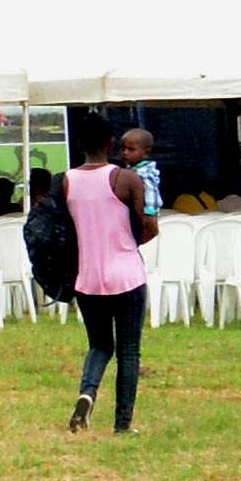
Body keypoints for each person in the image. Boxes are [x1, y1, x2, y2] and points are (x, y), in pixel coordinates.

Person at [67, 123, 159, 437]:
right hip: (127, 274)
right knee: (129, 352)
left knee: (99, 345)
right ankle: (122, 424)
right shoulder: (127, 178)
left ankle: (87, 394)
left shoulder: (67, 181)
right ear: (110, 145)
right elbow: (149, 224)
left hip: (87, 277)